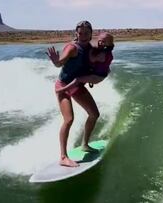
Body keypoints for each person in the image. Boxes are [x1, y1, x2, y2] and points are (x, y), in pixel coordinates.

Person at [46, 21, 100, 167]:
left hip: (76, 86)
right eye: (80, 33)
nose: (83, 35)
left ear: (90, 34)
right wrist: (56, 61)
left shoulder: (90, 48)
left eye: (86, 33)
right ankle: (63, 157)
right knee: (69, 119)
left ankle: (85, 144)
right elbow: (60, 63)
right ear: (76, 33)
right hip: (63, 86)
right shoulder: (72, 48)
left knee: (94, 114)